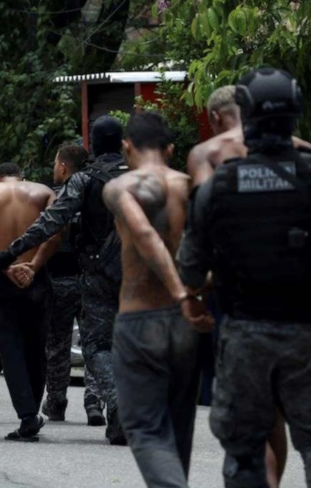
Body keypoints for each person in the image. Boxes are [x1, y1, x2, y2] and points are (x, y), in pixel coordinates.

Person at [178, 68, 311, 488]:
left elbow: (191, 268)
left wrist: (194, 299)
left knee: (245, 454)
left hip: (244, 337)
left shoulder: (217, 185)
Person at [0, 115, 129, 445]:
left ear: (93, 144)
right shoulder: (143, 177)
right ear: (123, 142)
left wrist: (11, 252)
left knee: (97, 345)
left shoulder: (84, 180)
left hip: (99, 276)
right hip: (144, 275)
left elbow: (51, 222)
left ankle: (118, 404)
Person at [103, 111, 211, 487]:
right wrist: (195, 295)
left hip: (140, 317)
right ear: (170, 149)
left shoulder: (119, 188)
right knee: (179, 426)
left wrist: (178, 291)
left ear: (126, 146)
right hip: (188, 323)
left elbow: (145, 235)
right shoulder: (191, 187)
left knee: (145, 428)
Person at [0, 162, 57, 441]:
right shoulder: (43, 191)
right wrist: (33, 265)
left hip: (0, 278)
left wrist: (2, 264)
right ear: (22, 178)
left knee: (9, 348)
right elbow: (57, 230)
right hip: (36, 277)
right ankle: (32, 410)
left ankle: (28, 414)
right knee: (36, 345)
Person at [40, 143, 105, 426]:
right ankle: (94, 402)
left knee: (58, 344)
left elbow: (48, 234)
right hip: (92, 277)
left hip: (60, 278)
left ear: (63, 166)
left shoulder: (56, 198)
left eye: (56, 163)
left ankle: (56, 401)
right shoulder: (98, 196)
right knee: (94, 342)